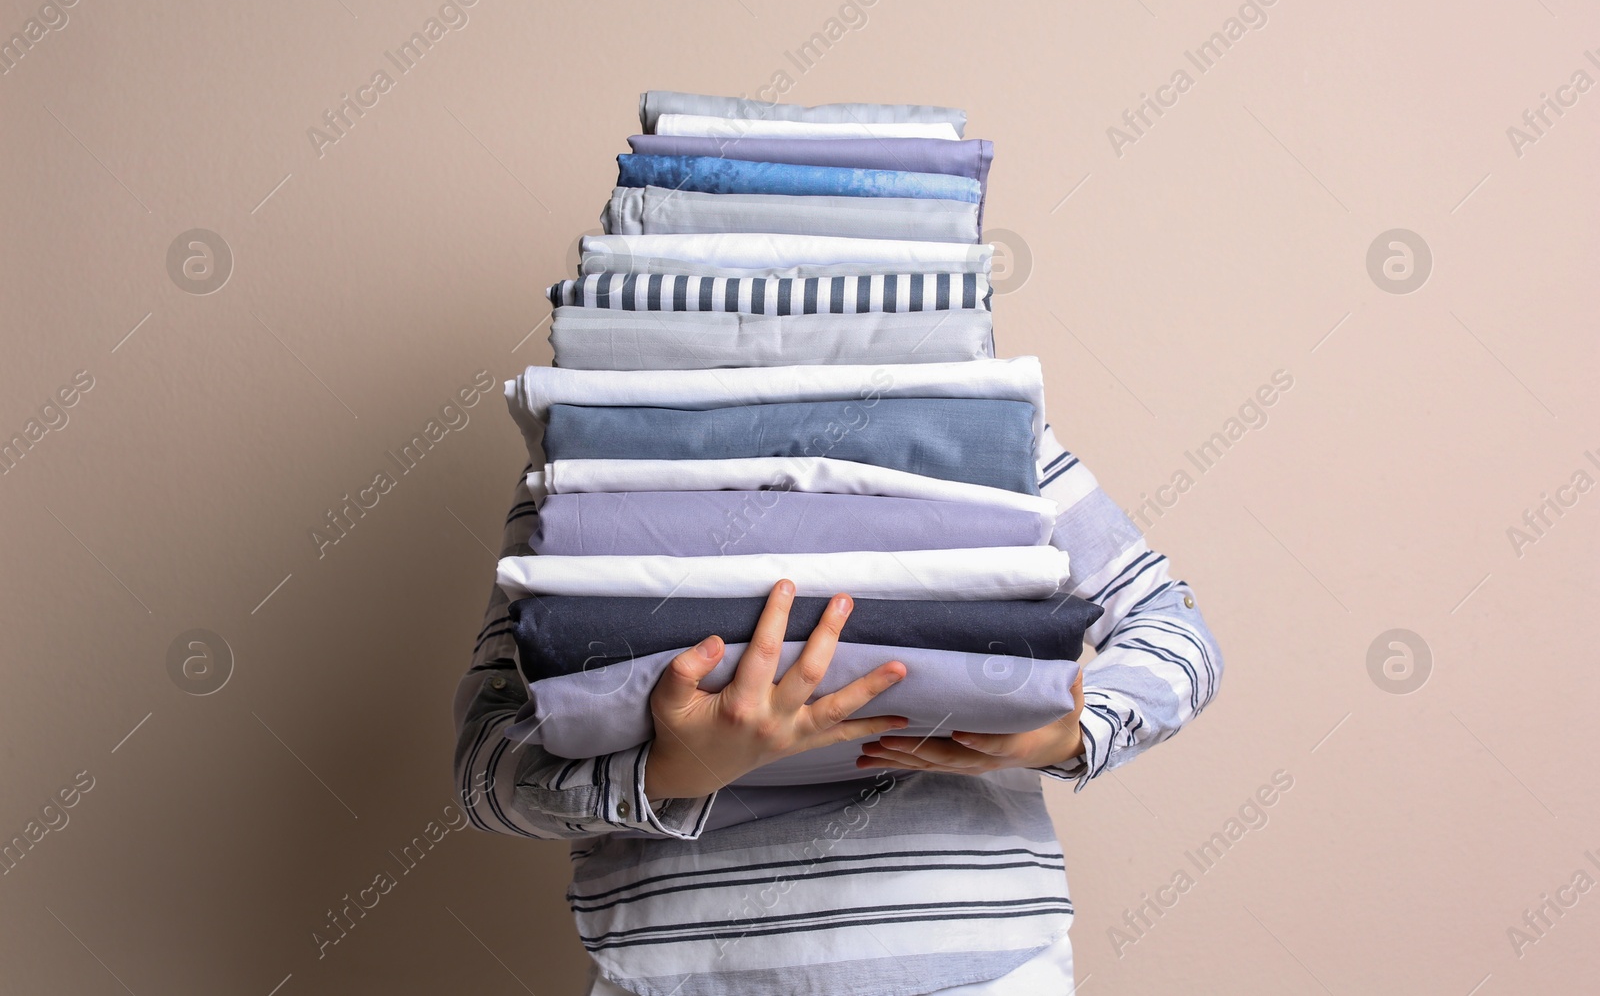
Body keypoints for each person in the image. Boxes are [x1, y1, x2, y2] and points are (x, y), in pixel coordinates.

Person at [454, 423, 1223, 994]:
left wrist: (1070, 730)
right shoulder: (586, 467)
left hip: (982, 966)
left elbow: (1175, 627)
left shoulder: (986, 434)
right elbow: (484, 769)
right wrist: (664, 772)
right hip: (685, 975)